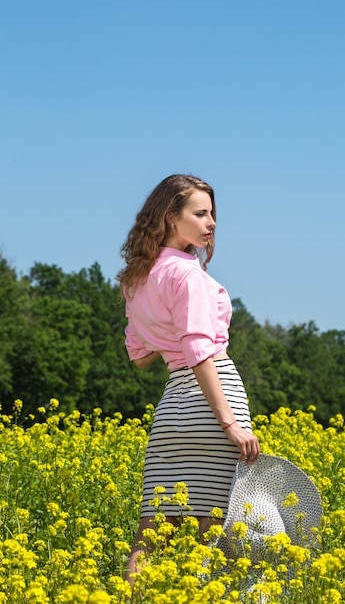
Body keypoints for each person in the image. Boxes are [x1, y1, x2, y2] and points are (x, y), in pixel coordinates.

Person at [118, 174, 260, 584]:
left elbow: (140, 356)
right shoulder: (189, 276)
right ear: (169, 217)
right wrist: (230, 422)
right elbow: (200, 353)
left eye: (212, 213)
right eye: (200, 213)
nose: (211, 222)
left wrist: (166, 339)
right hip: (213, 400)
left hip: (171, 410)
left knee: (150, 533)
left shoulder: (136, 280)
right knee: (215, 532)